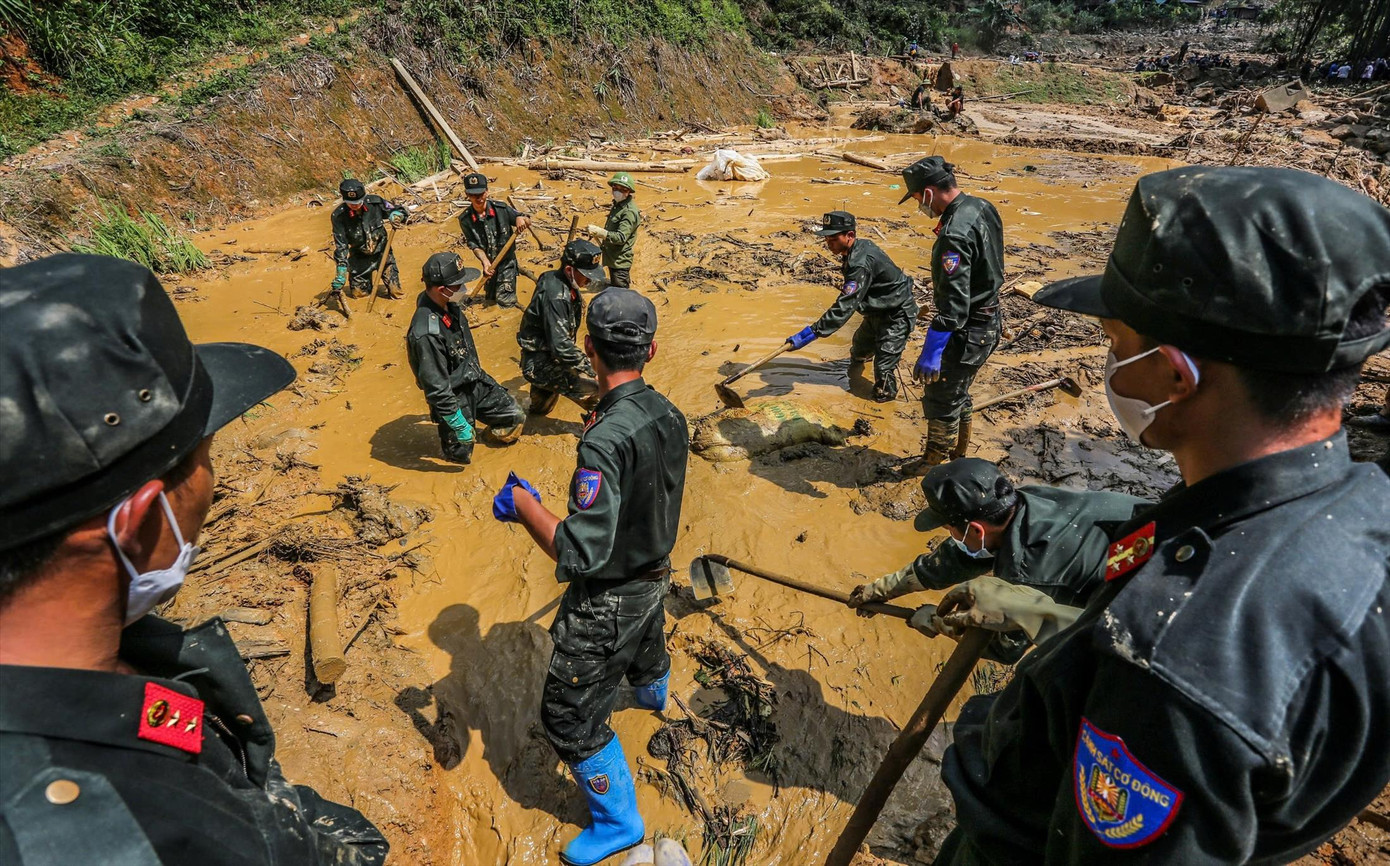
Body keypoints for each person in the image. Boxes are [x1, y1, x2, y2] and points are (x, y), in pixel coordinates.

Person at [928, 166, 1390, 863]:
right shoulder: (1366, 507)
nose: (1110, 365)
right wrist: (1047, 621)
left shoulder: (1175, 662)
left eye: (1116, 346)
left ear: (1176, 376)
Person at [0, 254, 388, 864]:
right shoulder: (149, 832)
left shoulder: (111, 659)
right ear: (142, 519)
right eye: (203, 458)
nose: (213, 480)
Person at [492, 288, 688, 866]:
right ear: (651, 349)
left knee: (567, 715)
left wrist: (525, 505)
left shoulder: (602, 440)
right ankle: (654, 694)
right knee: (647, 643)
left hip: (611, 595)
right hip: (654, 572)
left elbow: (579, 552)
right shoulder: (669, 412)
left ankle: (619, 823)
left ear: (587, 348)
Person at [847, 459, 1148, 662]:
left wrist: (937, 622)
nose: (948, 534)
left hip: (1151, 607)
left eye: (947, 527)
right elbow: (960, 556)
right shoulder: (1018, 503)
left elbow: (1006, 648)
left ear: (976, 529)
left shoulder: (1030, 571)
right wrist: (884, 588)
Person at [899, 155, 1004, 468]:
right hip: (990, 318)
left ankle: (933, 464)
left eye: (918, 198)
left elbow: (955, 308)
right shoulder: (982, 206)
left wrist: (931, 349)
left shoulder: (952, 236)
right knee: (959, 391)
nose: (920, 205)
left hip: (968, 330)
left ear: (929, 192)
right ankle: (959, 454)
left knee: (942, 396)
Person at [785, 210, 919, 402]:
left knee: (883, 373)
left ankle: (883, 404)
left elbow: (845, 305)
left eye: (833, 238)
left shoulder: (860, 263)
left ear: (850, 235)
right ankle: (865, 363)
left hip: (896, 313)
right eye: (827, 239)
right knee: (858, 351)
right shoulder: (857, 248)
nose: (828, 243)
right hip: (877, 311)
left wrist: (812, 332)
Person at [406, 252, 525, 465]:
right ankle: (455, 440)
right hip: (453, 394)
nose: (464, 289)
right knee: (461, 456)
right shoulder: (426, 333)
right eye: (459, 285)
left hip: (473, 376)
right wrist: (457, 422)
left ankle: (484, 436)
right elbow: (436, 387)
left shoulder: (447, 303)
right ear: (442, 290)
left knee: (514, 417)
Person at [517, 239, 604, 416]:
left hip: (545, 355)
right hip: (542, 363)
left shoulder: (553, 278)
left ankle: (536, 411)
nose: (589, 280)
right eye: (586, 275)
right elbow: (561, 345)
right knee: (599, 389)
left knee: (541, 409)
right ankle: (596, 428)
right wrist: (593, 370)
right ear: (569, 270)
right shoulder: (556, 296)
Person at [459, 172, 530, 309]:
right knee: (490, 299)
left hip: (506, 262)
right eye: (473, 195)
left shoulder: (501, 209)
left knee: (505, 302)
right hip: (489, 264)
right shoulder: (465, 220)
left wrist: (521, 218)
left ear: (487, 192)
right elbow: (474, 245)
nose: (478, 198)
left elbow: (526, 219)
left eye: (481, 194)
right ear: (467, 195)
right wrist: (485, 262)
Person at [331, 177, 405, 300]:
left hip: (383, 253)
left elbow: (398, 209)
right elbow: (341, 245)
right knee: (359, 295)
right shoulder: (338, 216)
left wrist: (396, 214)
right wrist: (341, 271)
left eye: (358, 202)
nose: (355, 206)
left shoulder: (375, 203)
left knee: (396, 292)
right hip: (359, 257)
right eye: (351, 203)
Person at [587, 172, 641, 289]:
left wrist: (601, 233)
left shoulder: (629, 211)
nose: (618, 191)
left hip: (620, 260)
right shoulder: (617, 205)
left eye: (623, 189)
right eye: (615, 188)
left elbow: (621, 238)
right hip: (612, 256)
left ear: (628, 192)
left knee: (620, 294)